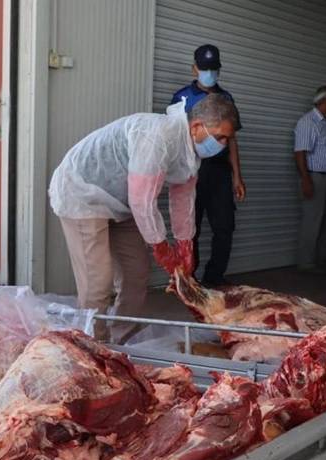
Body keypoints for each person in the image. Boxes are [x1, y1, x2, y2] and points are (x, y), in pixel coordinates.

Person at [48, 94, 240, 340]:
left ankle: (122, 336)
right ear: (196, 126)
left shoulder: (191, 153)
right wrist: (161, 247)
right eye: (220, 137)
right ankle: (93, 344)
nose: (223, 145)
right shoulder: (157, 136)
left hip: (122, 202)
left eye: (227, 139)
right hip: (83, 192)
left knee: (136, 272)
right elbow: (142, 200)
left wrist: (185, 244)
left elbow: (183, 199)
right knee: (98, 281)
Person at [170, 44, 245, 287]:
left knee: (224, 226)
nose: (209, 73)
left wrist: (237, 176)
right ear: (194, 68)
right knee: (190, 227)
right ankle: (190, 279)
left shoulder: (226, 98)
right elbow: (173, 136)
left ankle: (214, 277)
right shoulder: (181, 97)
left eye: (214, 69)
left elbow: (231, 139)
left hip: (219, 171)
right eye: (204, 69)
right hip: (190, 170)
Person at [294, 85, 326, 273]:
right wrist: (306, 179)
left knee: (325, 222)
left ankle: (318, 261)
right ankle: (306, 263)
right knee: (312, 221)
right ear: (325, 101)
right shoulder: (309, 122)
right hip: (314, 177)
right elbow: (300, 153)